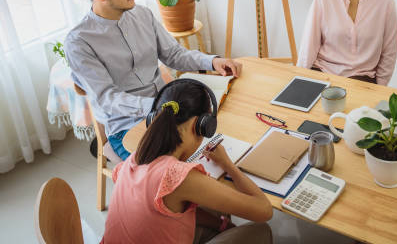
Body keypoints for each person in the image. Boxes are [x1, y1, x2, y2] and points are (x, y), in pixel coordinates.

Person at [65, 0, 242, 160]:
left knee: (228, 136)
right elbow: (108, 98)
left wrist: (213, 61)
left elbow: (174, 54)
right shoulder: (79, 42)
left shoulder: (142, 14)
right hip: (127, 126)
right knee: (178, 175)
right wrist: (158, 106)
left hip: (168, 110)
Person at [102, 78, 273, 244]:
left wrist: (221, 225)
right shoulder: (177, 177)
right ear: (200, 126)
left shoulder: (135, 158)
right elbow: (264, 210)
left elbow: (176, 208)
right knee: (261, 231)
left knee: (213, 205)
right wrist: (229, 165)